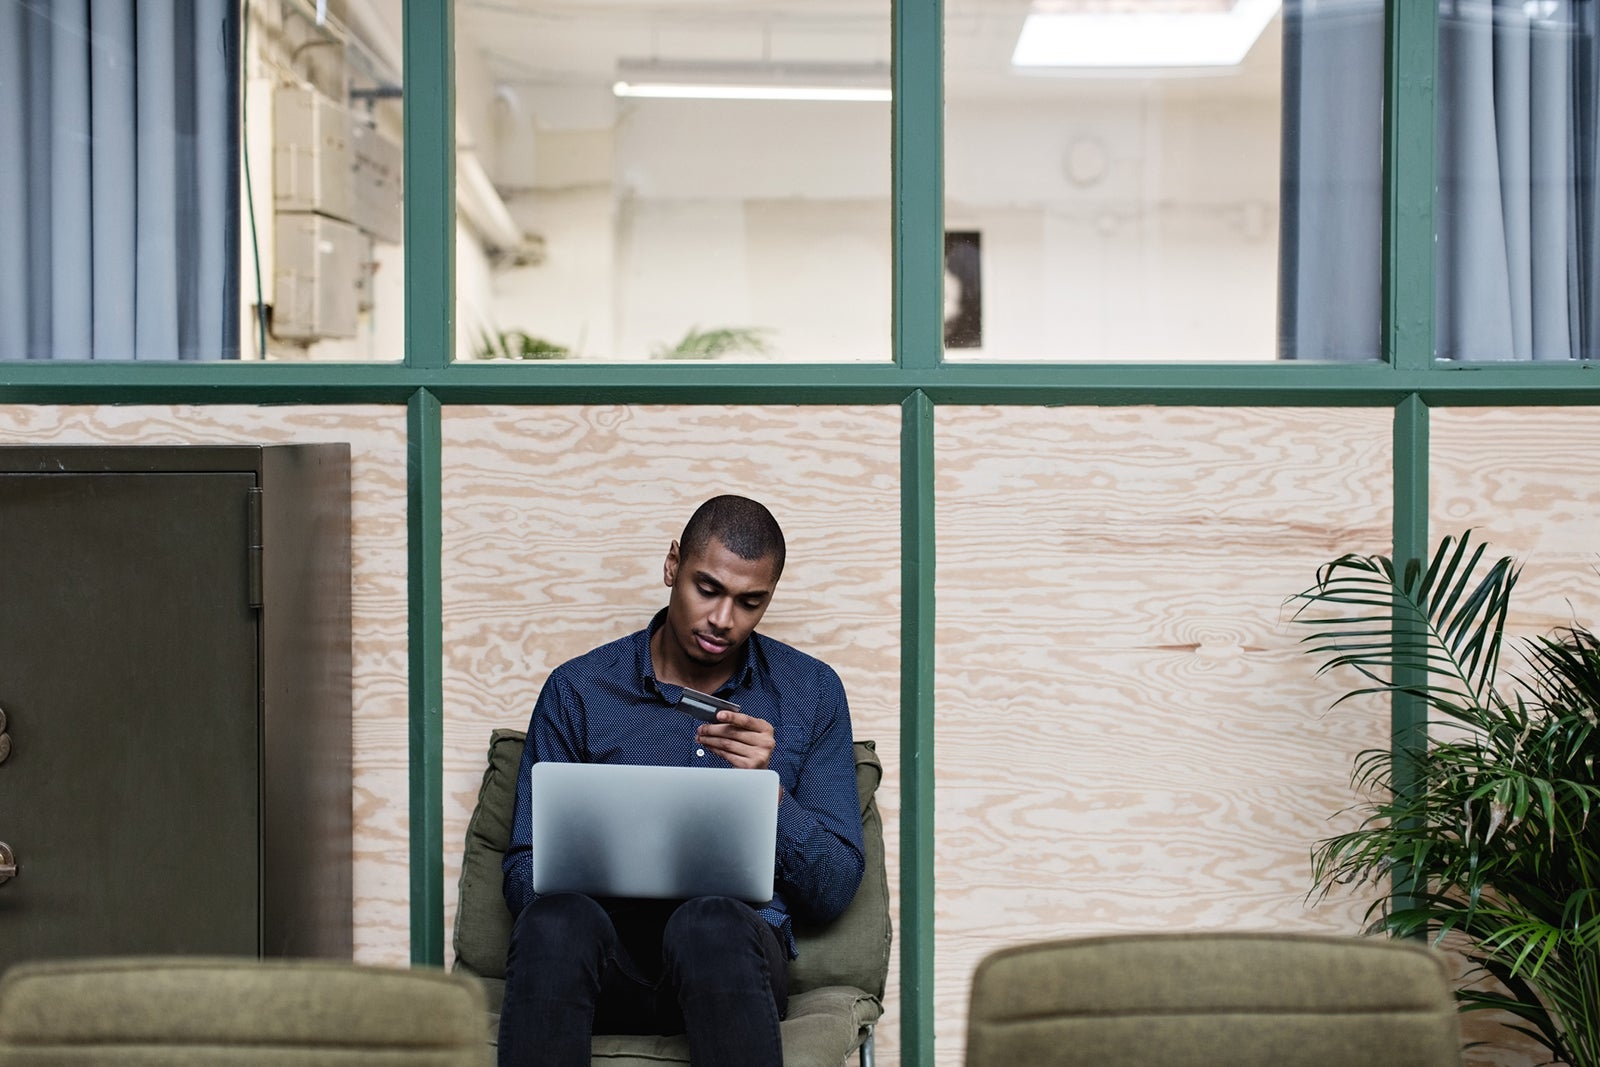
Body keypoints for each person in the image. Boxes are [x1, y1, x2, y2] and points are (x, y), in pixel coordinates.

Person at [498, 494, 865, 1066]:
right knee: (555, 921)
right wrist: (595, 863)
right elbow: (523, 873)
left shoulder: (810, 692)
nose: (723, 620)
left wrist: (767, 794)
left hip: (731, 969)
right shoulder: (579, 689)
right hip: (601, 968)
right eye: (708, 589)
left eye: (750, 602)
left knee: (711, 921)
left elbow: (835, 889)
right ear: (673, 566)